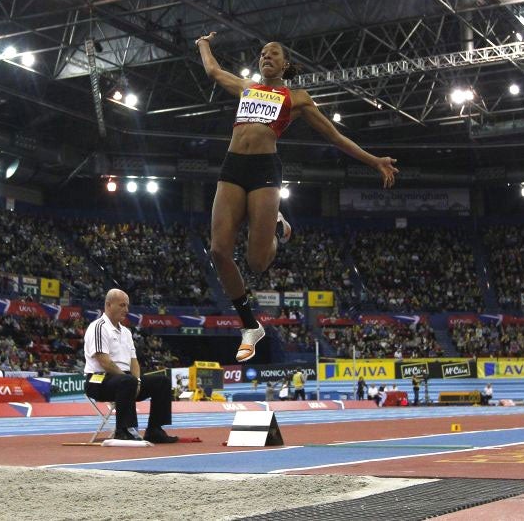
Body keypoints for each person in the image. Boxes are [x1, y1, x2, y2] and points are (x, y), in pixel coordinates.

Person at [197, 33, 399, 362]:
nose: (266, 56)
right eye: (262, 53)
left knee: (256, 263)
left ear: (285, 64)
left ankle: (277, 227)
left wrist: (373, 160)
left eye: (273, 53)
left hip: (264, 170)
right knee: (219, 251)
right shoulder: (248, 88)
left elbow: (335, 137)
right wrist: (202, 44)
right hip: (232, 165)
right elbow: (214, 72)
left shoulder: (297, 98)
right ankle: (250, 326)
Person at [83, 289, 177, 443]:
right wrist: (130, 379)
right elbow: (104, 361)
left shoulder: (126, 332)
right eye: (122, 305)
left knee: (162, 382)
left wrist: (138, 381)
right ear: (108, 305)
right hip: (98, 380)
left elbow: (134, 361)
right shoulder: (98, 327)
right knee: (127, 381)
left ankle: (155, 429)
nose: (126, 310)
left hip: (124, 380)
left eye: (127, 306)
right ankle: (124, 430)